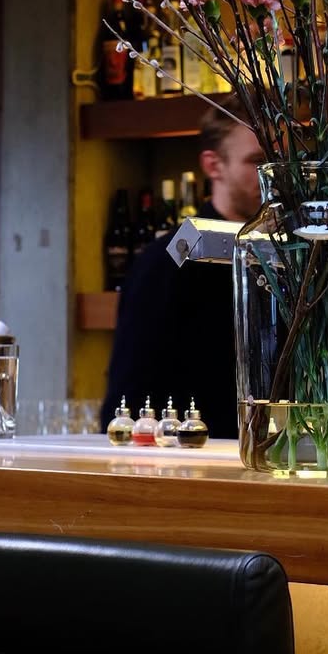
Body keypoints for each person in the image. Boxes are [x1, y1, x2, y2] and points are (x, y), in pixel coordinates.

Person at [101, 103, 265, 438]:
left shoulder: (287, 257)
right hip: (192, 464)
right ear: (213, 165)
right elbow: (127, 401)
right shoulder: (171, 258)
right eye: (257, 162)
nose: (272, 175)